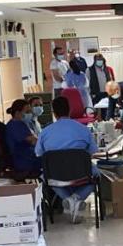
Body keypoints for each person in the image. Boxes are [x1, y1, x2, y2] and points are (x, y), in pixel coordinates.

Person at [34, 95, 99, 223]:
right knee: (97, 176)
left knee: (46, 177)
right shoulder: (83, 129)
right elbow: (93, 151)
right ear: (70, 110)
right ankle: (77, 198)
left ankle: (68, 198)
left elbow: (38, 153)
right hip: (81, 173)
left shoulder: (45, 132)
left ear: (54, 113)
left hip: (55, 174)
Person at [4, 97, 42, 179]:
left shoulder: (20, 124)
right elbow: (34, 141)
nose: (30, 114)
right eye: (27, 112)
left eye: (30, 111)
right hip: (24, 161)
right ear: (17, 113)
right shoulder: (15, 125)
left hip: (29, 157)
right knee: (53, 159)